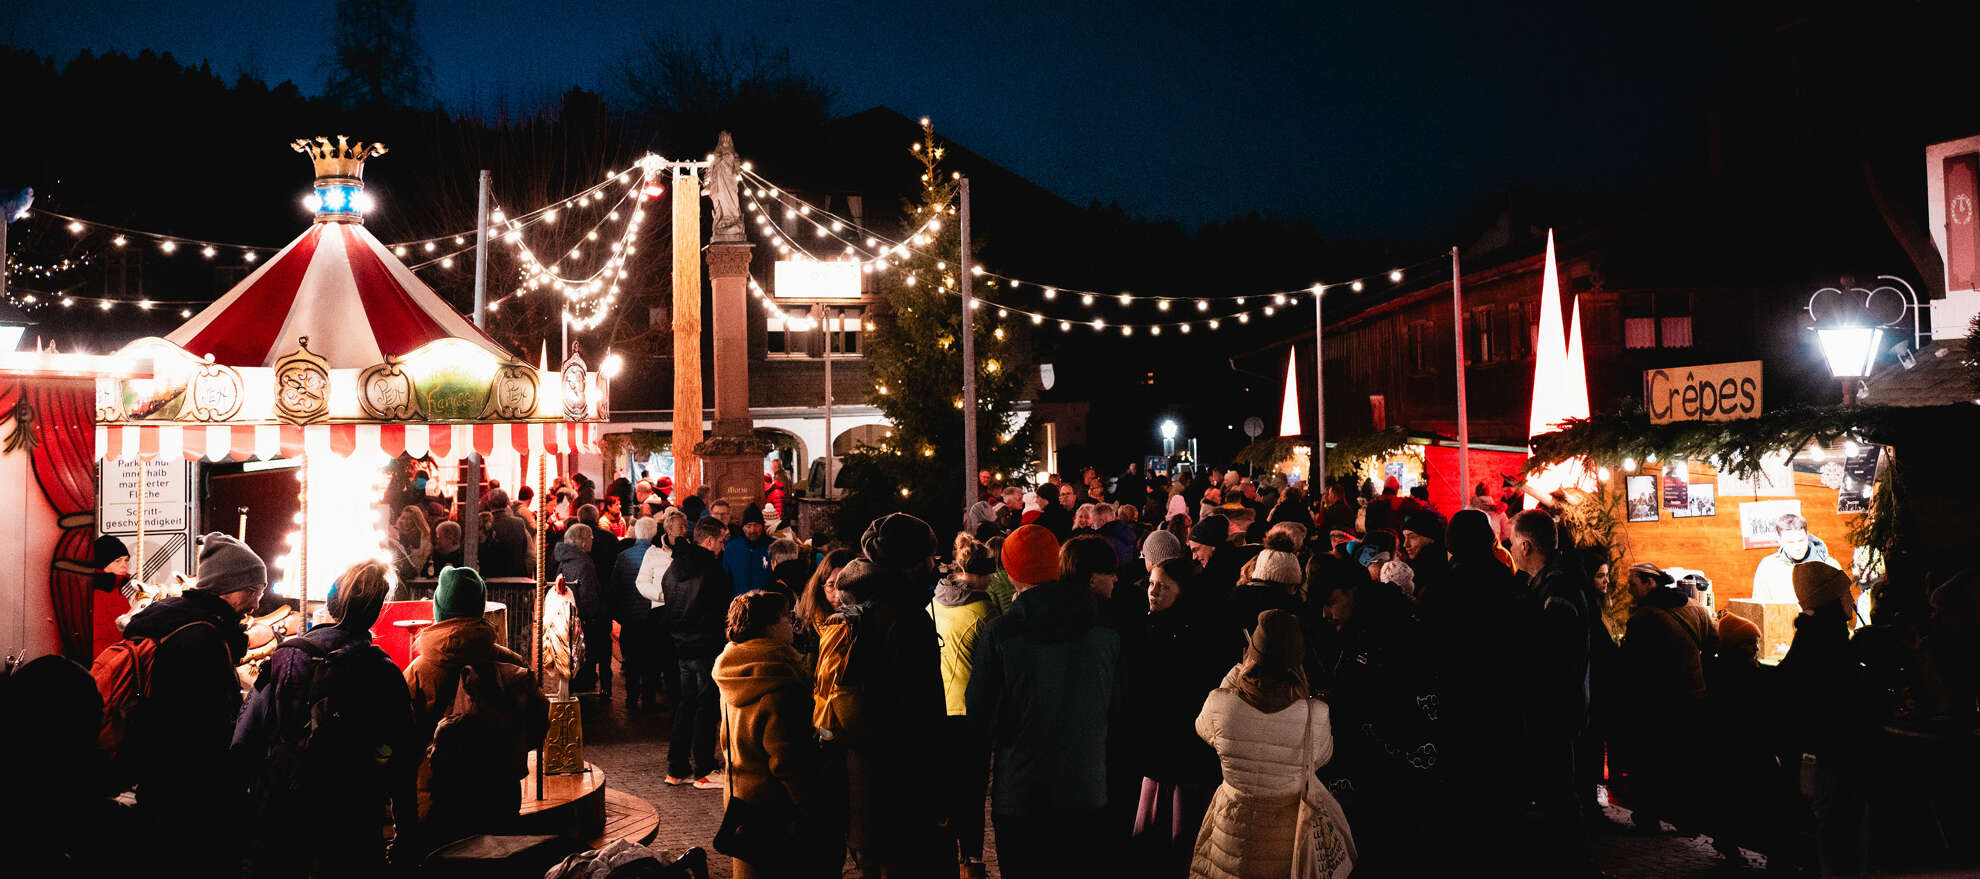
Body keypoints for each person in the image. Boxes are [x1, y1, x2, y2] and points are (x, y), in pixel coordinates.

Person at [233, 560, 413, 877]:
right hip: (354, 817)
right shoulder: (384, 672)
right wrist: (406, 834)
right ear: (375, 611)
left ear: (331, 605)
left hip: (284, 812)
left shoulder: (288, 657)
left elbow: (245, 739)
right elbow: (401, 762)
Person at [966, 524, 1123, 879]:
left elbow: (978, 718)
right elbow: (1118, 710)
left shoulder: (1002, 634)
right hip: (1086, 788)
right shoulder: (1105, 631)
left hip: (1021, 792)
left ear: (1011, 571)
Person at [118, 532, 266, 871]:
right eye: (253, 591)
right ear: (229, 587)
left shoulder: (169, 618)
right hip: (192, 795)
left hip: (155, 779)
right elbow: (210, 728)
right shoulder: (203, 637)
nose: (257, 603)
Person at [1190, 609, 1354, 879]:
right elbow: (1322, 756)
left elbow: (1204, 729)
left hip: (1231, 825)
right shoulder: (1315, 713)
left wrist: (1236, 675)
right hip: (1287, 836)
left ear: (1251, 655)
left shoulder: (1221, 705)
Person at [403, 566, 550, 853]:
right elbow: (537, 725)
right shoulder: (512, 666)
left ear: (439, 611)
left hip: (436, 799)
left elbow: (400, 739)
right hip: (498, 793)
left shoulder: (418, 672)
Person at [837, 513, 951, 875]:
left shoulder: (856, 608)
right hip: (903, 793)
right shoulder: (905, 619)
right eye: (931, 558)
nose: (937, 565)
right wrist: (938, 793)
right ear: (911, 563)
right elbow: (920, 714)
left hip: (863, 790)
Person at [714, 590, 835, 878]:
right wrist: (814, 811)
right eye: (785, 618)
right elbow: (789, 763)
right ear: (768, 627)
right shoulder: (779, 683)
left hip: (740, 803)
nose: (791, 625)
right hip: (777, 811)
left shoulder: (733, 670)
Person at [1133, 557, 1241, 874]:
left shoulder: (1192, 633)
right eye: (1152, 584)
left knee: (1178, 828)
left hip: (1181, 747)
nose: (1154, 592)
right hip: (1161, 747)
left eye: (1164, 587)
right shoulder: (1150, 625)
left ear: (1182, 592)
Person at [1506, 510, 1596, 875]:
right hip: (1555, 706)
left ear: (1526, 545)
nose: (1511, 549)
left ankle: (1575, 864)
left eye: (1513, 542)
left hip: (1555, 709)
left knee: (1558, 793)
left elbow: (1553, 658)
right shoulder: (1548, 583)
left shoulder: (1555, 589)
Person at [1779, 561, 1878, 875]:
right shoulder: (1829, 642)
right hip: (1836, 756)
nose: (1851, 600)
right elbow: (1843, 700)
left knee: (1832, 831)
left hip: (1821, 755)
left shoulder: (1810, 638)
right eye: (1844, 593)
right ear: (1832, 599)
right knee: (1841, 834)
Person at [1612, 563, 1718, 833]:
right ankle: (1690, 820)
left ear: (1651, 583)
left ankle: (1649, 817)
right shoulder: (1695, 608)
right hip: (1694, 698)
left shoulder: (1643, 617)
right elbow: (1712, 644)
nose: (1629, 589)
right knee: (1687, 764)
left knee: (1652, 763)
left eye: (1634, 583)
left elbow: (1632, 663)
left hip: (1657, 703)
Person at [930, 540, 1001, 878]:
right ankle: (970, 862)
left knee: (944, 788)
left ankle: (944, 856)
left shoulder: (934, 602)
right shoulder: (984, 612)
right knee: (972, 793)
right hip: (970, 711)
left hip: (936, 707)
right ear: (985, 574)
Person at [664, 517, 736, 788]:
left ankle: (677, 767)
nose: (722, 547)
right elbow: (722, 612)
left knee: (686, 705)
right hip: (706, 648)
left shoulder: (673, 569)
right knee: (706, 709)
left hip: (682, 647)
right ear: (708, 541)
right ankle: (704, 768)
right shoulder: (712, 571)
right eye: (720, 541)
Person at [556, 522, 614, 697]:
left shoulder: (566, 558)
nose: (592, 540)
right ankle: (603, 689)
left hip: (572, 614)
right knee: (602, 650)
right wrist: (597, 614)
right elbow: (588, 595)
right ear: (582, 541)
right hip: (585, 619)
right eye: (590, 537)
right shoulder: (584, 563)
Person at [613, 517, 663, 711]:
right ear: (653, 533)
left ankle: (631, 698)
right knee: (651, 662)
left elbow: (616, 587)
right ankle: (649, 700)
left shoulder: (624, 556)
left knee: (632, 662)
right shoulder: (659, 555)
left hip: (630, 617)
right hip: (652, 617)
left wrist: (620, 614)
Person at [1750, 513, 1840, 605]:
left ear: (1807, 536)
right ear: (1779, 540)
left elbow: (1842, 609)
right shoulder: (1767, 567)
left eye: (1801, 540)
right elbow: (1761, 607)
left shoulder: (1830, 565)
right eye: (1790, 542)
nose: (1797, 547)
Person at [724, 505, 774, 596]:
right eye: (748, 526)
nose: (753, 530)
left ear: (762, 527)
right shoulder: (732, 548)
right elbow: (726, 578)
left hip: (766, 602)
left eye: (756, 525)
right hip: (739, 603)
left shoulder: (773, 547)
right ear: (742, 527)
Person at [481, 488, 530, 578]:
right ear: (507, 503)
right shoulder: (519, 523)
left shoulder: (485, 524)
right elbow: (524, 548)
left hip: (492, 577)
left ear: (489, 503)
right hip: (516, 577)